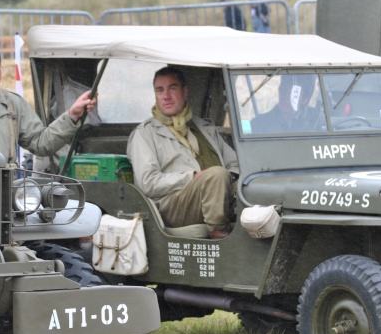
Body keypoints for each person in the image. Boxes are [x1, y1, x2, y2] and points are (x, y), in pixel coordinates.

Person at [127, 67, 239, 239]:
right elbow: (148, 182)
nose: (166, 96)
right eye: (160, 90)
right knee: (216, 174)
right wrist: (192, 177)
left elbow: (235, 165)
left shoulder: (204, 128)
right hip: (172, 205)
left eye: (172, 88)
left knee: (249, 184)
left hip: (216, 194)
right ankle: (220, 237)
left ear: (185, 91)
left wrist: (232, 180)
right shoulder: (145, 134)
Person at [250, 75, 319, 134]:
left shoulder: (318, 120)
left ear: (305, 98)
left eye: (293, 93)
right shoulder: (258, 124)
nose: (286, 96)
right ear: (279, 89)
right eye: (284, 89)